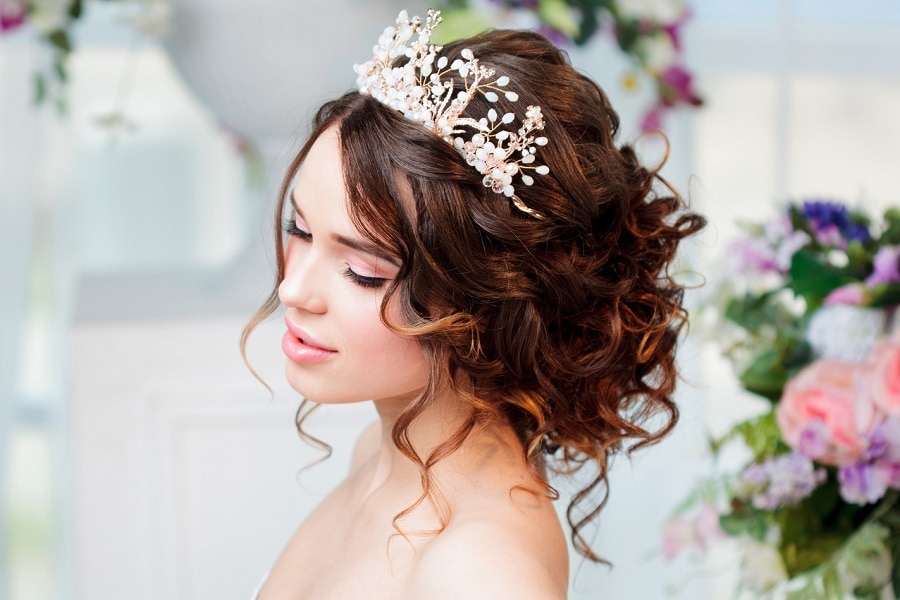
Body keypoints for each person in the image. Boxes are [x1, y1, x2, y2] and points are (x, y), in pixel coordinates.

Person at [243, 8, 705, 599]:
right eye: (299, 230)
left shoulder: (482, 573)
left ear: (485, 299)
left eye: (360, 272)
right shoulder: (379, 453)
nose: (293, 290)